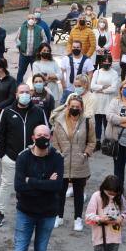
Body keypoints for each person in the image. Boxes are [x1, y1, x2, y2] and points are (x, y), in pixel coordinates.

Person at [1, 125, 64, 251]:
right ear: (33, 137)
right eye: (39, 135)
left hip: (47, 213)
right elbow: (19, 186)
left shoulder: (57, 158)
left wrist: (32, 181)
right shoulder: (23, 157)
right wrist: (44, 183)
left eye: (46, 135)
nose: (43, 138)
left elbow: (57, 186)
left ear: (50, 137)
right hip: (26, 212)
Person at [0, 83, 49, 228]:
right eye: (21, 92)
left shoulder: (38, 111)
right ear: (16, 95)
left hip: (32, 158)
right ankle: (0, 212)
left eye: (27, 92)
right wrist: (2, 155)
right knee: (6, 185)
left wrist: (42, 152)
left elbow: (46, 132)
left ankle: (32, 214)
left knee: (32, 186)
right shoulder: (7, 112)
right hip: (11, 158)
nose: (24, 95)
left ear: (30, 94)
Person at [51, 95, 96, 231]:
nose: (75, 109)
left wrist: (85, 154)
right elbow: (55, 141)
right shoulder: (59, 121)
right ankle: (59, 216)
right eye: (72, 106)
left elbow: (92, 141)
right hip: (62, 162)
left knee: (78, 193)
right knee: (60, 192)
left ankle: (78, 219)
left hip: (80, 163)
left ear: (81, 108)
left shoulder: (88, 122)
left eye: (77, 107)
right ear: (68, 106)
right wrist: (59, 153)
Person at [90, 56, 119, 146]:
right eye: (104, 61)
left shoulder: (114, 73)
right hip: (97, 102)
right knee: (97, 123)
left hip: (108, 102)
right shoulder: (97, 72)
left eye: (108, 61)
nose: (106, 63)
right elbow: (92, 86)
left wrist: (100, 90)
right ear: (101, 62)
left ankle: (107, 141)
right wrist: (103, 87)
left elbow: (114, 88)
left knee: (107, 123)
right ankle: (97, 141)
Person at [15, 13, 43, 84]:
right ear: (27, 20)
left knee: (36, 73)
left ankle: (36, 87)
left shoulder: (39, 29)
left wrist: (40, 47)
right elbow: (17, 39)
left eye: (32, 18)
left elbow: (44, 39)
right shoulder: (21, 28)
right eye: (29, 18)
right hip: (24, 55)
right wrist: (19, 45)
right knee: (21, 71)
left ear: (35, 20)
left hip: (35, 55)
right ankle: (18, 86)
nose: (31, 20)